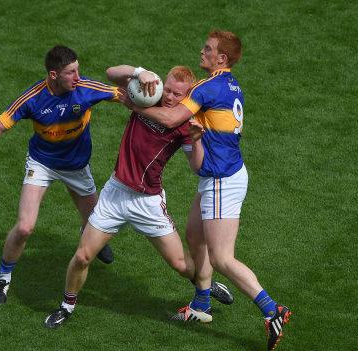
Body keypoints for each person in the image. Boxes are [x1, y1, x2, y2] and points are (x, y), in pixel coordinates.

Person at [117, 31, 292, 350]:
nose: (202, 51)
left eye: (208, 49)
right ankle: (201, 305)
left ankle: (273, 311)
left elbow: (170, 118)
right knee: (195, 236)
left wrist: (135, 105)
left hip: (222, 181)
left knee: (223, 258)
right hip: (221, 175)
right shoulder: (230, 84)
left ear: (221, 58)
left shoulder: (207, 87)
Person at [43, 65, 233, 329]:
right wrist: (139, 72)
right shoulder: (149, 94)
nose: (168, 97)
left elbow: (198, 167)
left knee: (179, 264)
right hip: (115, 194)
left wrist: (197, 139)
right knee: (83, 256)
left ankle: (205, 283)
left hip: (148, 202)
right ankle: (67, 306)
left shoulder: (184, 125)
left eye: (177, 94)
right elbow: (111, 73)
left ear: (187, 97)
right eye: (167, 89)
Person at [0, 45, 117, 305]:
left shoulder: (86, 89)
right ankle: (3, 277)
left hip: (76, 166)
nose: (77, 76)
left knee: (97, 225)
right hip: (42, 163)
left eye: (78, 69)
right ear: (53, 75)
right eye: (70, 72)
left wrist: (151, 89)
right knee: (25, 227)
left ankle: (89, 232)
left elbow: (128, 97)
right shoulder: (33, 98)